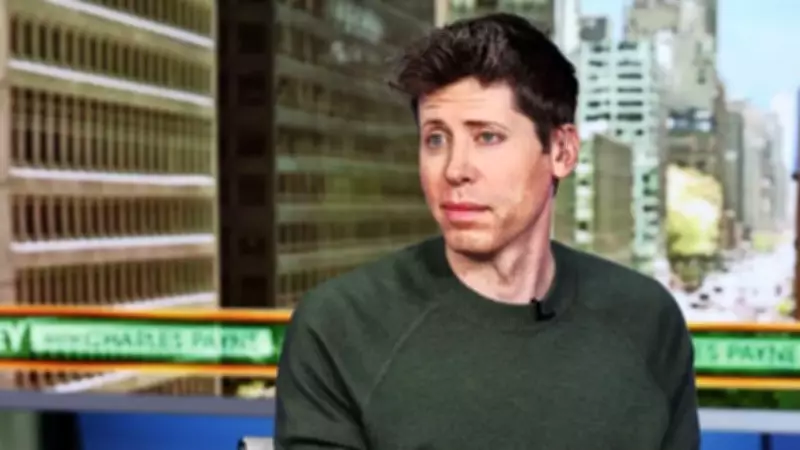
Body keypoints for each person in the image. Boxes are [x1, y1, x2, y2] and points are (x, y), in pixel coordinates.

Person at [275, 13, 700, 450]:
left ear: (562, 151)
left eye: (488, 137)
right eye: (436, 139)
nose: (455, 169)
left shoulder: (647, 319)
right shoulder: (340, 326)